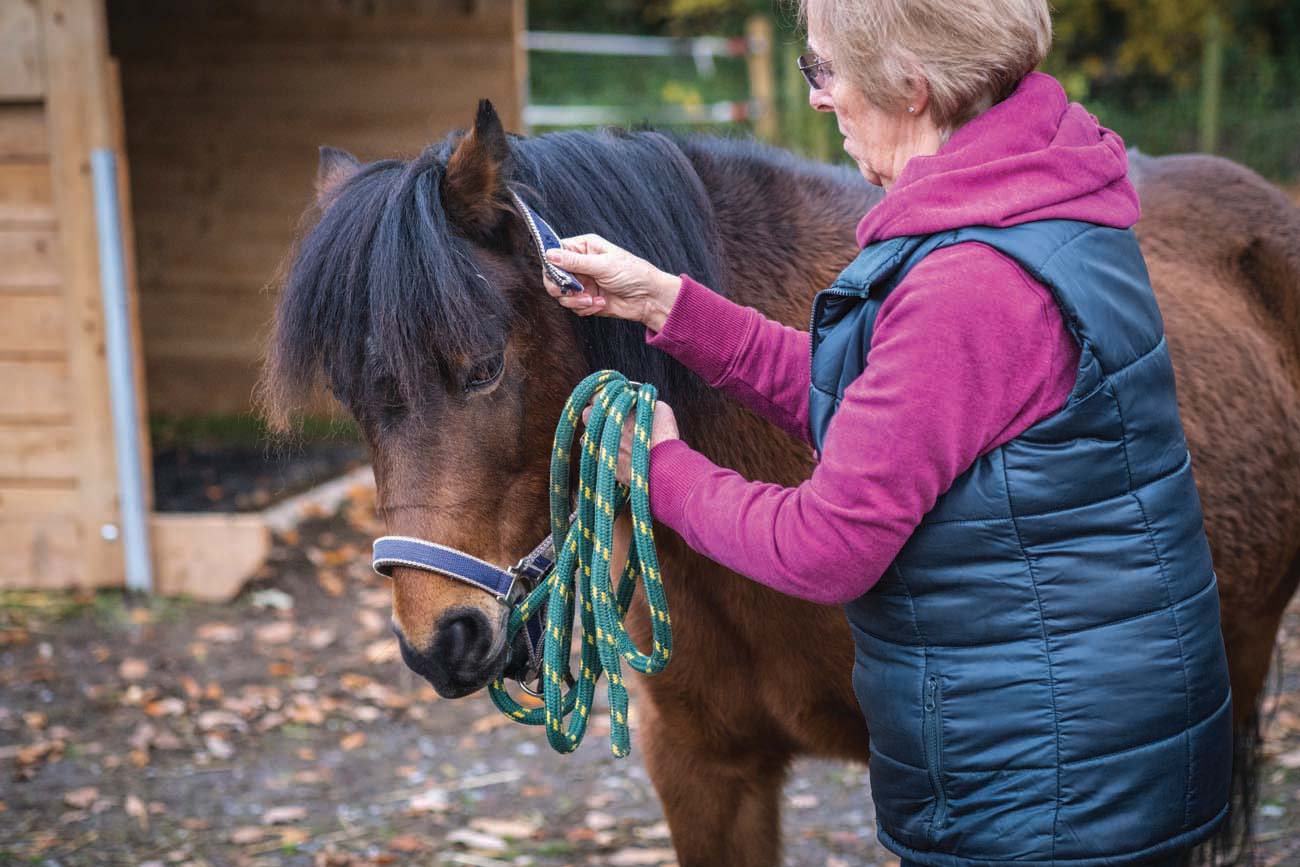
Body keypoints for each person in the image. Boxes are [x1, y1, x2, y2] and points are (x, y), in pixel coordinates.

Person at [540, 0, 1233, 864]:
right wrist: (670, 307)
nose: (821, 98)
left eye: (825, 69)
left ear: (910, 86)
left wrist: (659, 469)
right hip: (1075, 744)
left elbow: (825, 546)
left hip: (1037, 791)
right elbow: (888, 412)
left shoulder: (968, 283)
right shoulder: (1043, 200)